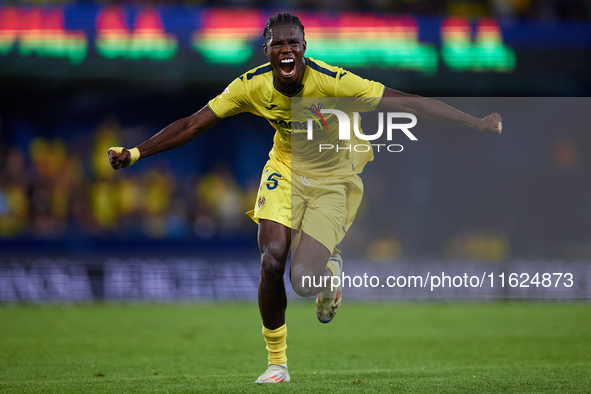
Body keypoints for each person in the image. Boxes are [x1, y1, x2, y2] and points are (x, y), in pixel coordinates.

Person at [108, 12, 502, 384]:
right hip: (286, 171)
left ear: (304, 47)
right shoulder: (251, 85)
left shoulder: (332, 81)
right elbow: (193, 123)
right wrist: (136, 153)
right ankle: (277, 364)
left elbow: (406, 102)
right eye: (277, 44)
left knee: (302, 282)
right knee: (271, 258)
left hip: (334, 180)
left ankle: (329, 272)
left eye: (293, 43)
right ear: (266, 50)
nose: (286, 50)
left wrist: (473, 122)